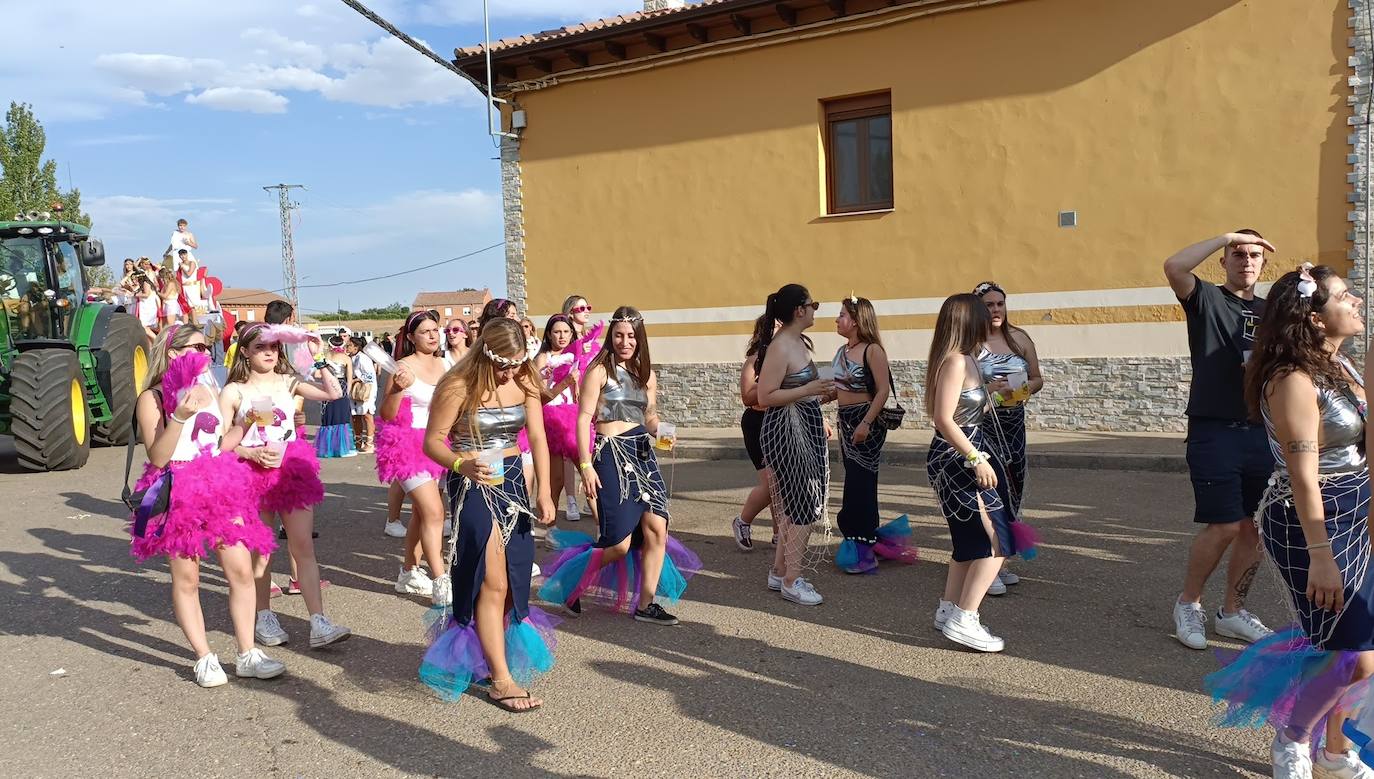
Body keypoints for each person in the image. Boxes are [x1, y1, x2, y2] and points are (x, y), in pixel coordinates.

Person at [1206, 264, 1373, 779]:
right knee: (1352, 654)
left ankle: (1334, 749)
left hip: (1356, 505)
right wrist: (1321, 555)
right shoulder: (1292, 379)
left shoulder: (1342, 367)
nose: (1358, 301)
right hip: (1309, 521)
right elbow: (1303, 475)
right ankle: (1293, 740)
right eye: (1345, 297)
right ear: (1315, 318)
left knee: (1357, 646)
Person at [128, 324, 282, 685]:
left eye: (207, 347)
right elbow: (160, 456)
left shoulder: (211, 387)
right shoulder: (151, 398)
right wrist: (179, 416)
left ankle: (247, 653)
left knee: (241, 570)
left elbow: (218, 443)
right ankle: (204, 657)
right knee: (188, 578)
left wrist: (246, 427)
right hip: (177, 488)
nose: (206, 353)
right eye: (198, 347)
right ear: (174, 353)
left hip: (219, 484)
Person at [420, 318, 559, 709]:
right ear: (486, 356)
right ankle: (501, 680)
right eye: (503, 366)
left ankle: (487, 656)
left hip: (513, 479)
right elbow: (432, 442)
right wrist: (460, 464)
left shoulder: (526, 380)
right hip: (473, 481)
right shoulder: (458, 385)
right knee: (493, 580)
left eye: (516, 364)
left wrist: (545, 491)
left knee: (515, 578)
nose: (510, 373)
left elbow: (537, 438)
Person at [539, 306, 701, 624]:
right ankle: (572, 583)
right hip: (610, 453)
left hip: (642, 452)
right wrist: (585, 465)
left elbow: (649, 416)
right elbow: (584, 418)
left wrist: (662, 430)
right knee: (619, 544)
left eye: (631, 336)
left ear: (639, 339)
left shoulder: (647, 375)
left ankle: (646, 605)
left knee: (658, 528)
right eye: (619, 335)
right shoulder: (598, 371)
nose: (625, 341)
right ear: (611, 337)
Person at [1164, 231, 1277, 650]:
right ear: (1224, 261)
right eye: (1238, 253)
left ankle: (1232, 612)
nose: (1246, 260)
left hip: (1263, 431)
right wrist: (1225, 236)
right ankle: (1188, 603)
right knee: (1225, 524)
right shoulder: (1208, 299)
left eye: (1253, 255)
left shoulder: (1271, 312)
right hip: (1215, 428)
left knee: (1256, 528)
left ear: (1263, 264)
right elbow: (1174, 267)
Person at [220, 323, 351, 650]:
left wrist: (319, 357)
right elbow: (220, 443)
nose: (268, 352)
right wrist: (249, 451)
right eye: (261, 347)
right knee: (261, 552)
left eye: (274, 347)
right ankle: (264, 615)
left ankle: (318, 622)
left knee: (303, 545)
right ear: (246, 352)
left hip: (290, 469)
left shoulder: (289, 381)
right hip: (252, 472)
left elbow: (335, 394)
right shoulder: (234, 391)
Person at [925, 294, 1021, 653]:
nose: (991, 318)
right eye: (984, 314)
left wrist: (991, 393)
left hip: (962, 456)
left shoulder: (966, 359)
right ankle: (966, 617)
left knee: (968, 543)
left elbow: (965, 407)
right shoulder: (955, 361)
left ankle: (948, 610)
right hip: (958, 460)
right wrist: (976, 459)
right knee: (998, 540)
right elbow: (943, 419)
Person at [755, 284, 833, 606]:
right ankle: (792, 578)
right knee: (802, 506)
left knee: (793, 504)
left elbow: (800, 387)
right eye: (813, 304)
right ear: (799, 310)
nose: (816, 309)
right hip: (787, 432)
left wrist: (820, 393)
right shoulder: (781, 346)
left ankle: (780, 570)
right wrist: (809, 389)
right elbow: (765, 396)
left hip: (805, 426)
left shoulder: (797, 342)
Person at [832, 294, 917, 574]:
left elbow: (881, 390)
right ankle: (861, 537)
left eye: (842, 315)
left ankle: (863, 542)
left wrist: (866, 423)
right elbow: (844, 385)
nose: (837, 319)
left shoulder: (872, 351)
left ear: (856, 320)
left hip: (864, 423)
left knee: (861, 483)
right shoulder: (843, 350)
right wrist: (829, 395)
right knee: (853, 480)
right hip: (846, 421)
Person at [973, 281, 1045, 595]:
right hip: (984, 422)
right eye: (989, 305)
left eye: (1000, 304)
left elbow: (1037, 377)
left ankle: (1000, 560)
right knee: (992, 489)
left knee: (1014, 485)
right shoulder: (971, 344)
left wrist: (1023, 389)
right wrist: (993, 392)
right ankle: (988, 560)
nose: (996, 310)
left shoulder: (1020, 338)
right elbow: (962, 389)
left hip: (1015, 420)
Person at [377, 311, 450, 604]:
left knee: (422, 513)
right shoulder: (402, 367)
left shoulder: (444, 364)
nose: (432, 335)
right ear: (410, 337)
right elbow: (387, 414)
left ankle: (408, 572)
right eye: (425, 332)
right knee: (434, 512)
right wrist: (397, 388)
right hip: (408, 446)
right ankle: (441, 579)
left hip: (438, 444)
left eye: (435, 330)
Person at [533, 315, 584, 522]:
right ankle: (550, 528)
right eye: (557, 331)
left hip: (574, 416)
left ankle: (604, 532)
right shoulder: (543, 358)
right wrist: (563, 382)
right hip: (552, 419)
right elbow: (538, 395)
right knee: (556, 480)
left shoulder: (577, 355)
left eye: (566, 332)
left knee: (588, 471)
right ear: (548, 334)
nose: (562, 336)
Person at [731, 326, 775, 552]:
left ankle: (780, 533)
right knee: (771, 482)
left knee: (782, 482)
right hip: (757, 423)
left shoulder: (789, 356)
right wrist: (771, 385)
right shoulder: (755, 360)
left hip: (781, 421)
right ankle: (743, 521)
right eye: (775, 326)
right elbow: (747, 396)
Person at [315, 334, 357, 458]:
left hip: (327, 387)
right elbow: (349, 378)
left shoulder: (325, 357)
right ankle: (342, 448)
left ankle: (327, 448)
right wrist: (347, 393)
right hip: (341, 387)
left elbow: (317, 374)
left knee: (328, 416)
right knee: (342, 416)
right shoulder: (346, 358)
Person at [348, 336, 377, 453]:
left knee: (367, 415)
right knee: (355, 416)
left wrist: (355, 379)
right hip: (354, 392)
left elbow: (369, 375)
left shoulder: (363, 358)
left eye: (349, 345)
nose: (347, 348)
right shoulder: (351, 358)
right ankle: (358, 441)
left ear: (356, 347)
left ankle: (370, 443)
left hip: (365, 390)